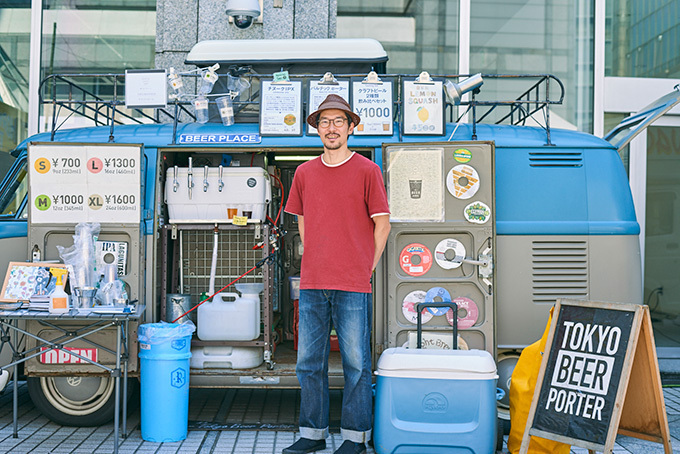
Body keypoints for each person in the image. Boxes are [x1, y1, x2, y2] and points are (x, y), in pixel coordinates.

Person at [283, 94, 390, 454]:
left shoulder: (367, 170)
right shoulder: (304, 173)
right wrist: (316, 255)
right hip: (312, 281)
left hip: (353, 284)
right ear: (316, 129)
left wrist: (366, 267)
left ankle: (355, 438)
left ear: (351, 127)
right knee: (307, 363)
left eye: (338, 121)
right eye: (325, 122)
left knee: (357, 364)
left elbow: (383, 224)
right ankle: (312, 435)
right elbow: (302, 222)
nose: (331, 128)